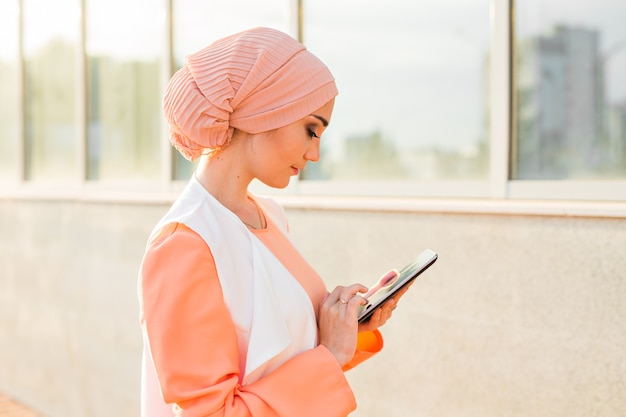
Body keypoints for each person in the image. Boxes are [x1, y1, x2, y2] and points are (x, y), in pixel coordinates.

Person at [138, 27, 407, 417]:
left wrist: (345, 326)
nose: (314, 154)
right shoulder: (184, 244)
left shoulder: (269, 217)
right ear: (264, 110)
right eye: (311, 129)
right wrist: (329, 355)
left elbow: (273, 365)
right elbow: (211, 412)